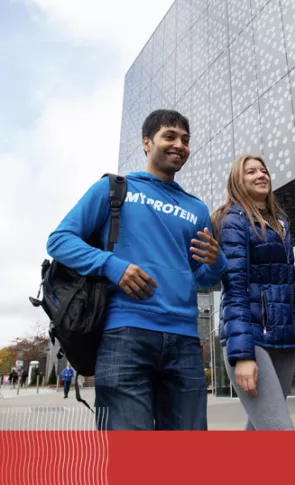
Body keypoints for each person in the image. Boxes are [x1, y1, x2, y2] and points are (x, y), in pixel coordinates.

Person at [47, 109, 228, 430]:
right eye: (169, 136)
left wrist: (217, 262)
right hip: (124, 337)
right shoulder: (115, 189)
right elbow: (60, 241)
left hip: (185, 341)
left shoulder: (197, 208)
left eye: (185, 140)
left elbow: (199, 278)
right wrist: (112, 266)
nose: (180, 145)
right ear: (147, 142)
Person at [212, 155, 295, 430]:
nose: (260, 175)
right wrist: (243, 355)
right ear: (237, 181)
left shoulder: (281, 222)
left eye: (263, 170)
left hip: (284, 338)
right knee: (280, 432)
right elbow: (235, 288)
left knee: (259, 429)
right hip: (252, 338)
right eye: (250, 172)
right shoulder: (233, 221)